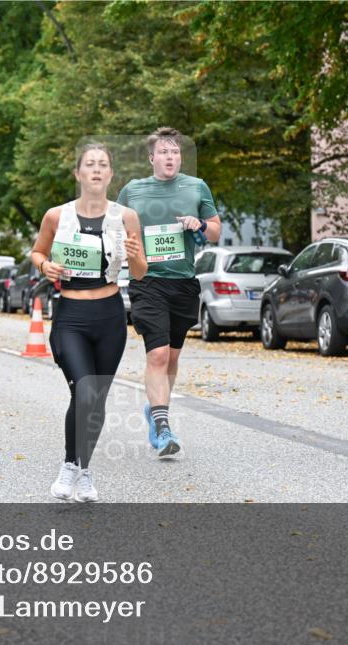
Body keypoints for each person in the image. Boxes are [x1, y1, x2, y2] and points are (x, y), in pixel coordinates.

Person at [31, 143, 146, 502]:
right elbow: (38, 251)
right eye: (90, 165)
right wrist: (44, 265)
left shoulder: (126, 217)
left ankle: (83, 471)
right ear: (78, 173)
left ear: (111, 174)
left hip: (109, 315)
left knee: (96, 399)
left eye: (103, 165)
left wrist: (135, 256)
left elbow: (140, 273)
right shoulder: (56, 215)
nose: (96, 170)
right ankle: (69, 466)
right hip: (71, 316)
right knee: (83, 390)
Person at [117, 127, 221, 457]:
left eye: (175, 152)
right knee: (158, 354)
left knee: (172, 357)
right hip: (147, 282)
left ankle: (156, 410)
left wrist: (199, 225)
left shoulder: (196, 187)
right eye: (164, 152)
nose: (170, 157)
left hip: (183, 283)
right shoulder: (133, 191)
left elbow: (216, 231)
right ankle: (163, 427)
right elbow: (111, 226)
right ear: (152, 158)